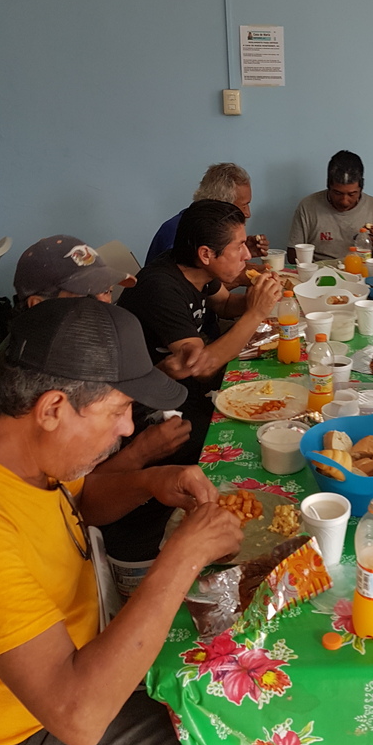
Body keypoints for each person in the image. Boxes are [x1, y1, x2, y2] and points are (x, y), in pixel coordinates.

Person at [0, 297, 242, 745]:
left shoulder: (29, 453)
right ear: (53, 408)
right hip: (28, 732)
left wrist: (151, 481)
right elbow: (79, 718)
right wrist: (185, 555)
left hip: (87, 656)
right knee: (233, 733)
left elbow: (78, 504)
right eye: (119, 409)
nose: (129, 427)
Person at [113, 200, 281, 559]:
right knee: (244, 440)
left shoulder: (198, 272)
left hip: (182, 390)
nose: (246, 254)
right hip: (146, 409)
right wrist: (257, 313)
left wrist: (255, 298)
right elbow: (201, 365)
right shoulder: (161, 287)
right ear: (206, 253)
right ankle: (190, 534)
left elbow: (224, 305)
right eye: (239, 246)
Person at [11, 235, 192, 474]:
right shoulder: (29, 378)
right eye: (86, 297)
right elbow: (70, 488)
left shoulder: (93, 343)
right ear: (38, 305)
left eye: (106, 291)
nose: (104, 306)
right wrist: (140, 454)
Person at [146, 162, 268, 264]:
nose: (247, 213)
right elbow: (190, 284)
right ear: (221, 204)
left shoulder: (199, 225)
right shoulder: (182, 234)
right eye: (244, 206)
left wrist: (238, 251)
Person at [287, 150, 373, 262]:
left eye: (352, 194)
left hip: (362, 270)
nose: (344, 201)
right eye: (338, 193)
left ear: (361, 188)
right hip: (320, 270)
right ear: (328, 185)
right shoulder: (308, 206)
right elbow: (292, 256)